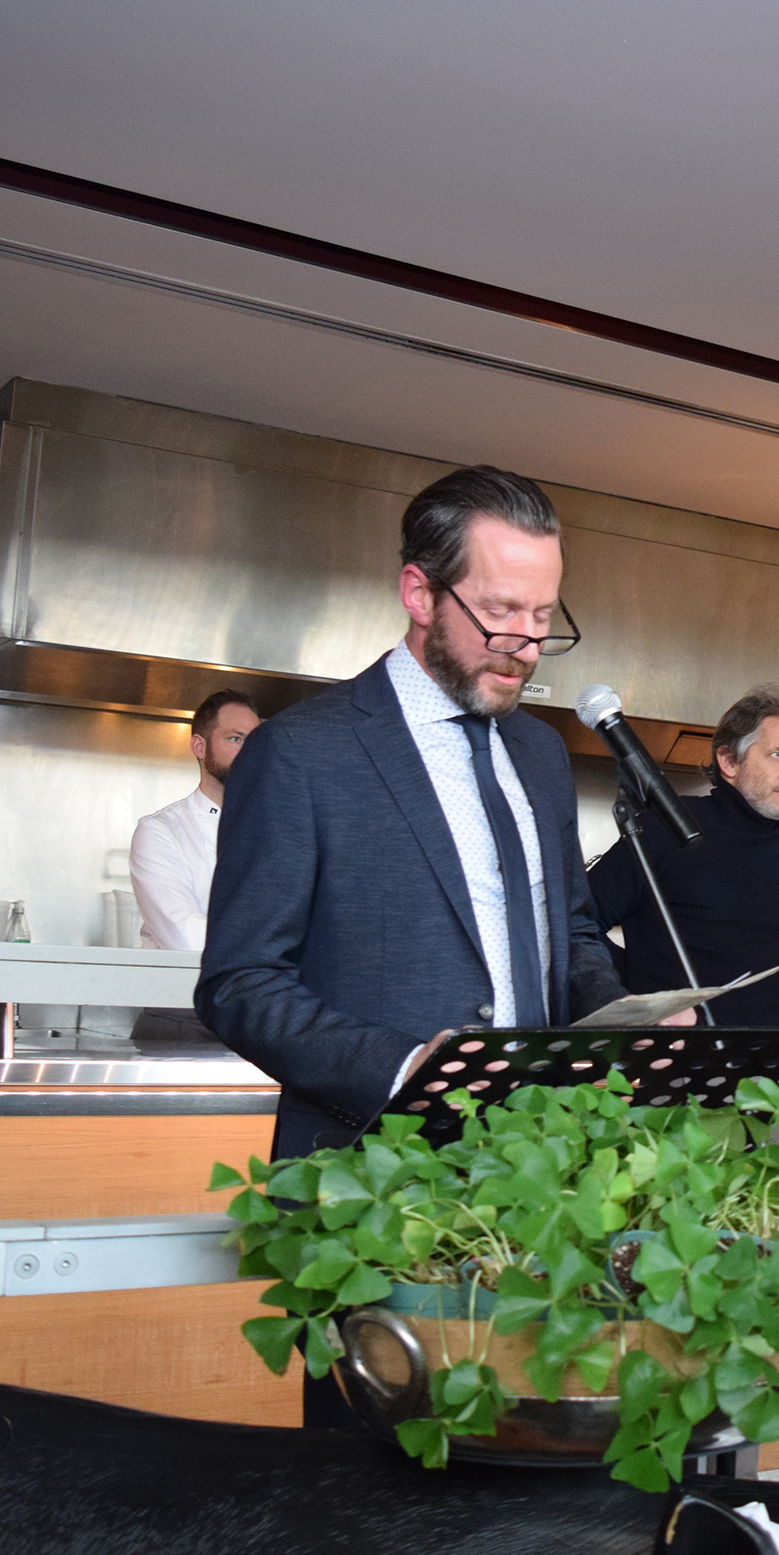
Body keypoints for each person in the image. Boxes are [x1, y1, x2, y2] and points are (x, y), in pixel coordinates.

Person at [202, 466, 631, 1155]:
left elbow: (573, 933)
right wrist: (402, 1069)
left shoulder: (542, 753)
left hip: (536, 1166)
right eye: (500, 613)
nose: (525, 647)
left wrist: (623, 1017)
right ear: (420, 594)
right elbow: (240, 984)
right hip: (369, 1172)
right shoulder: (299, 752)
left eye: (543, 616)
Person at [586, 687, 779, 1028]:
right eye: (778, 754)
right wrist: (631, 990)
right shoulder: (666, 825)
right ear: (729, 761)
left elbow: (748, 943)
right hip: (673, 1049)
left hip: (768, 1049)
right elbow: (576, 922)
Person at [129, 689, 261, 952]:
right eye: (236, 739)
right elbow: (184, 937)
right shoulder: (160, 831)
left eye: (256, 742)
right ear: (200, 746)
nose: (250, 753)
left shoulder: (276, 831)